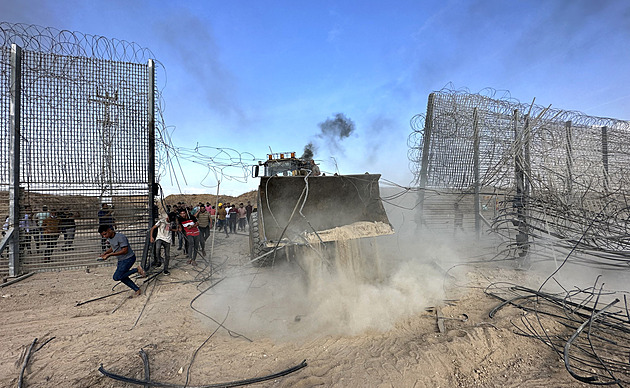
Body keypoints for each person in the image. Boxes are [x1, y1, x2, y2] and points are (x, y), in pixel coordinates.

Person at [98, 224, 146, 296]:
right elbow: (114, 247)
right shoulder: (110, 238)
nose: (104, 236)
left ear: (109, 230)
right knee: (122, 277)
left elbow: (125, 250)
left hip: (128, 258)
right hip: (121, 260)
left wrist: (109, 255)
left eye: (105, 234)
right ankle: (136, 289)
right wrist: (105, 253)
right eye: (103, 235)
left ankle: (136, 269)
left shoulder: (120, 237)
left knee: (117, 277)